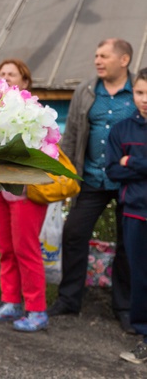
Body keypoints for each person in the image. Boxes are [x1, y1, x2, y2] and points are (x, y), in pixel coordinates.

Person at [48, 39, 134, 333]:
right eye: (96, 55)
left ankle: (123, 306)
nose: (97, 60)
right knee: (74, 233)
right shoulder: (86, 91)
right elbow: (71, 134)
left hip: (127, 181)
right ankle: (69, 299)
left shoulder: (138, 92)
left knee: (128, 243)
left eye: (104, 56)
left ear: (123, 60)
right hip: (92, 178)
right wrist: (67, 173)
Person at [0, 59, 49, 332]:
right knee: (5, 249)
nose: (5, 77)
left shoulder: (35, 111)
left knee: (26, 250)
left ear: (25, 81)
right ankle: (11, 302)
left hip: (25, 191)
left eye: (12, 74)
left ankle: (37, 309)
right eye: (1, 74)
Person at [106, 67, 147, 364]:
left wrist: (132, 160)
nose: (144, 99)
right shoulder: (121, 129)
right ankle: (144, 337)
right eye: (140, 92)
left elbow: (124, 166)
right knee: (140, 278)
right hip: (135, 212)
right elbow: (112, 170)